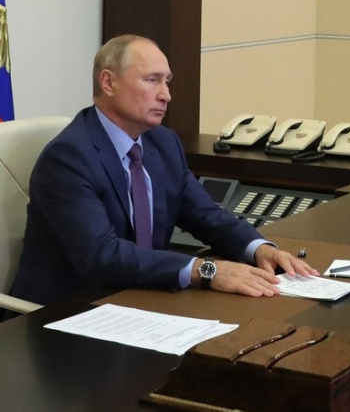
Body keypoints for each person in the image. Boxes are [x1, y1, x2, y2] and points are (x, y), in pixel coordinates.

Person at [9, 35, 317, 307]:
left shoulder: (163, 142)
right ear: (108, 82)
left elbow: (205, 215)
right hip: (68, 311)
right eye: (152, 80)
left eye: (167, 81)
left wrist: (258, 248)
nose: (166, 95)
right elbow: (101, 255)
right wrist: (204, 270)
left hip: (142, 297)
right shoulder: (69, 157)